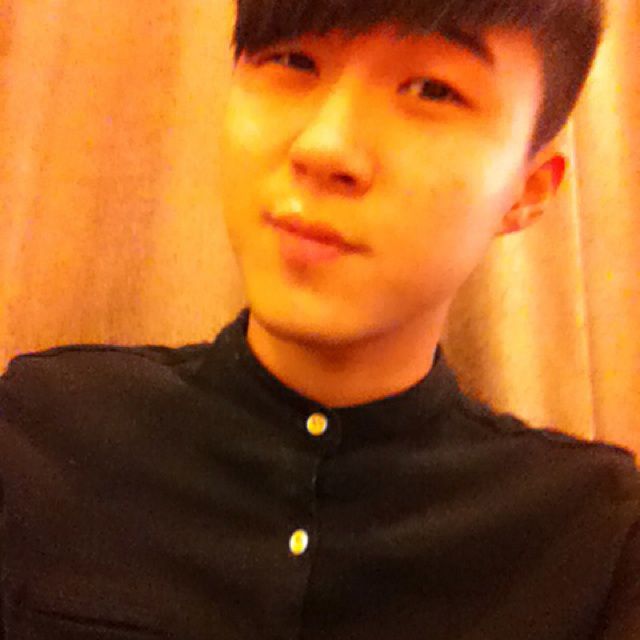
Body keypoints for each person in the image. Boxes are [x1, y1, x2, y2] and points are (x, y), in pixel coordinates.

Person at [0, 0, 638, 638]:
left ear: (529, 189)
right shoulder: (39, 432)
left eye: (432, 90)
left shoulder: (597, 537)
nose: (323, 147)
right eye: (293, 61)